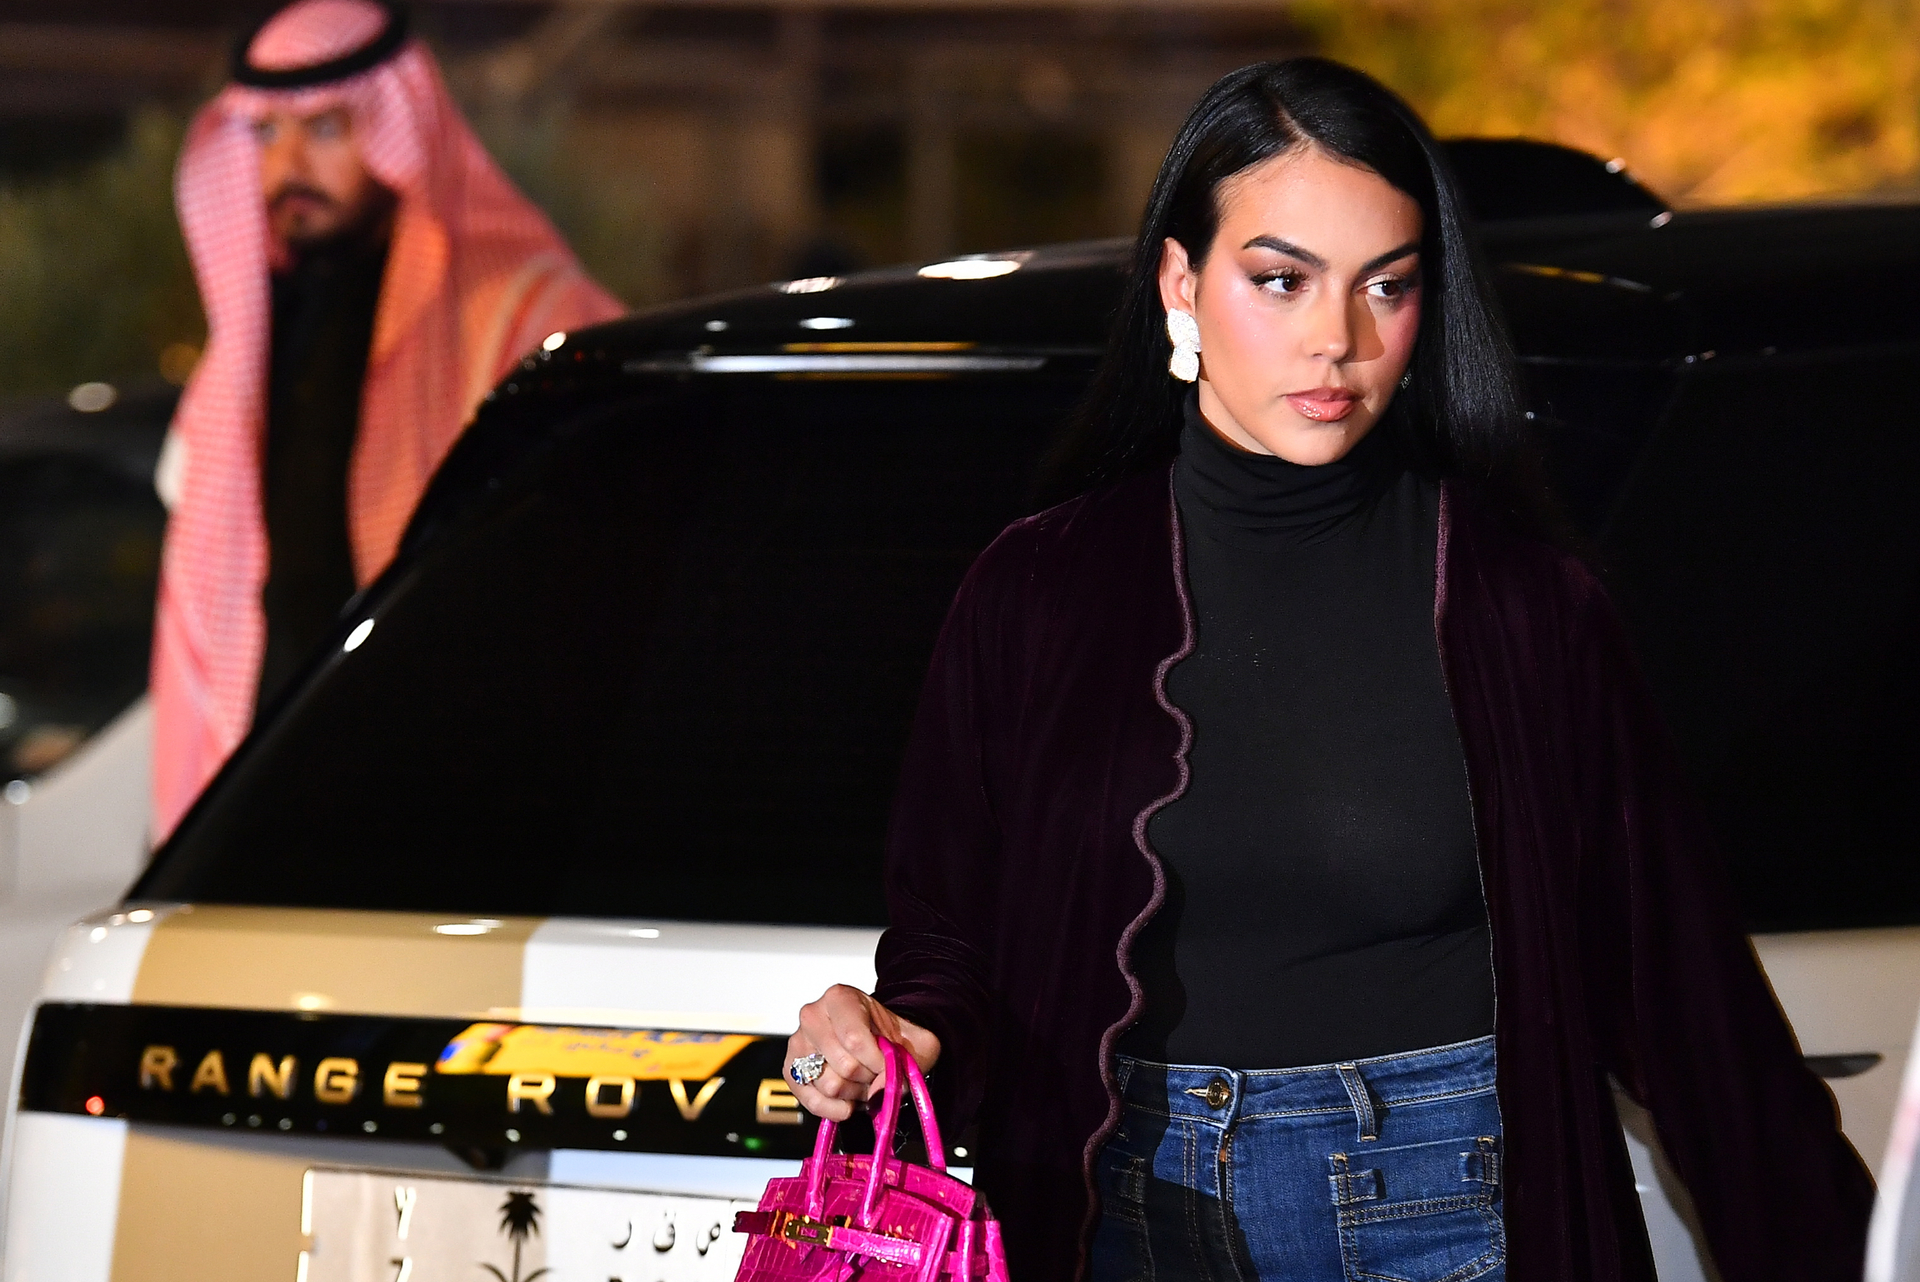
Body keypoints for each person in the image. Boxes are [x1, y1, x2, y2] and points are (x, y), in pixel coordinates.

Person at [782, 58, 1872, 1282]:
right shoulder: (1036, 591)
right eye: (1281, 279)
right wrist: (894, 1033)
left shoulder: (1525, 610)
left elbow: (1687, 1002)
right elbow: (949, 939)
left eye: (1386, 286)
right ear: (1181, 284)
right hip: (1115, 1216)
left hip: (1440, 1207)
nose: (1338, 340)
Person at [149, 0, 622, 841]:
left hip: (447, 793)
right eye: (266, 134)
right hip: (269, 793)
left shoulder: (522, 314)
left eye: (325, 129)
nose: (288, 165)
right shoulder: (249, 338)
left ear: (399, 126)